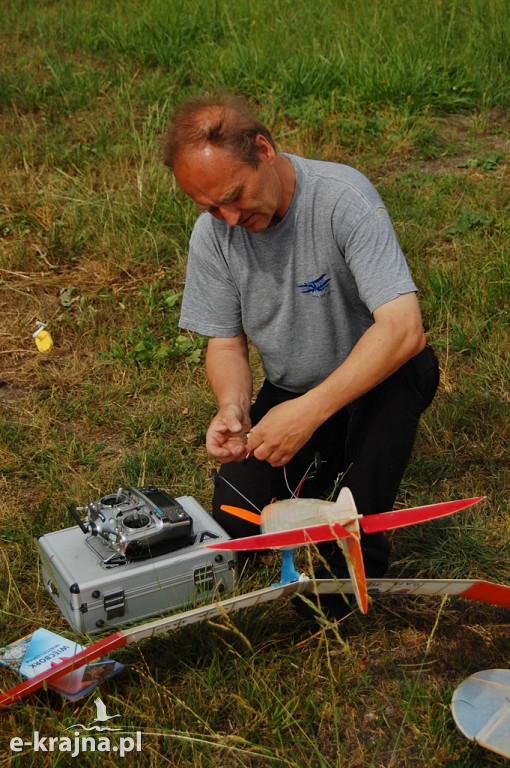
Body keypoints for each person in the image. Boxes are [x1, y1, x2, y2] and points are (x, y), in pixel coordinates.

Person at [162, 93, 439, 618]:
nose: (229, 216)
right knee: (237, 519)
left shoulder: (342, 198)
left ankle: (355, 562)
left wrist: (309, 413)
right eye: (210, 207)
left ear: (263, 149)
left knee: (350, 518)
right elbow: (225, 343)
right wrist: (234, 407)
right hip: (293, 387)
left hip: (385, 375)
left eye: (235, 196)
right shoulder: (215, 234)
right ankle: (323, 460)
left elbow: (405, 330)